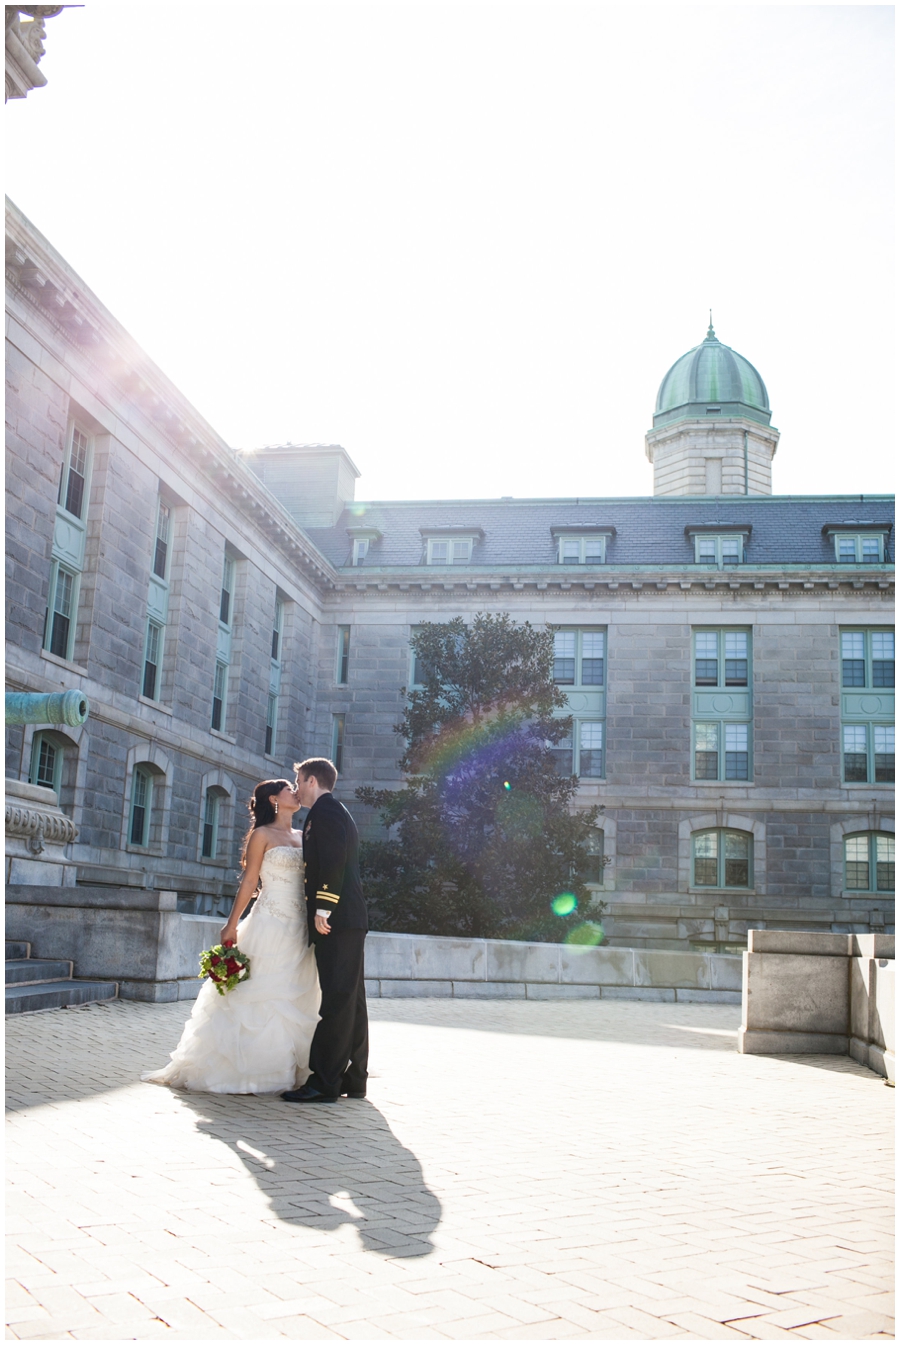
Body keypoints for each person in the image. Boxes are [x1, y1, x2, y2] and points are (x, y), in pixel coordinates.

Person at [143, 780, 319, 1094]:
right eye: (289, 788)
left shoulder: (302, 835)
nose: (296, 791)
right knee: (260, 992)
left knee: (297, 993)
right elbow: (250, 880)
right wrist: (231, 924)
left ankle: (294, 1069)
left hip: (299, 926)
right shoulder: (261, 835)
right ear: (273, 799)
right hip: (269, 923)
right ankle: (254, 1072)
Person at [282, 758, 369, 1104]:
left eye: (298, 781)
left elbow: (334, 860)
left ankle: (324, 1082)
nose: (297, 788)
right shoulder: (334, 811)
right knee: (351, 1002)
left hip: (338, 920)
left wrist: (323, 907)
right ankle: (354, 1077)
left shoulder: (326, 812)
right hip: (348, 920)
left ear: (313, 780)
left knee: (336, 1001)